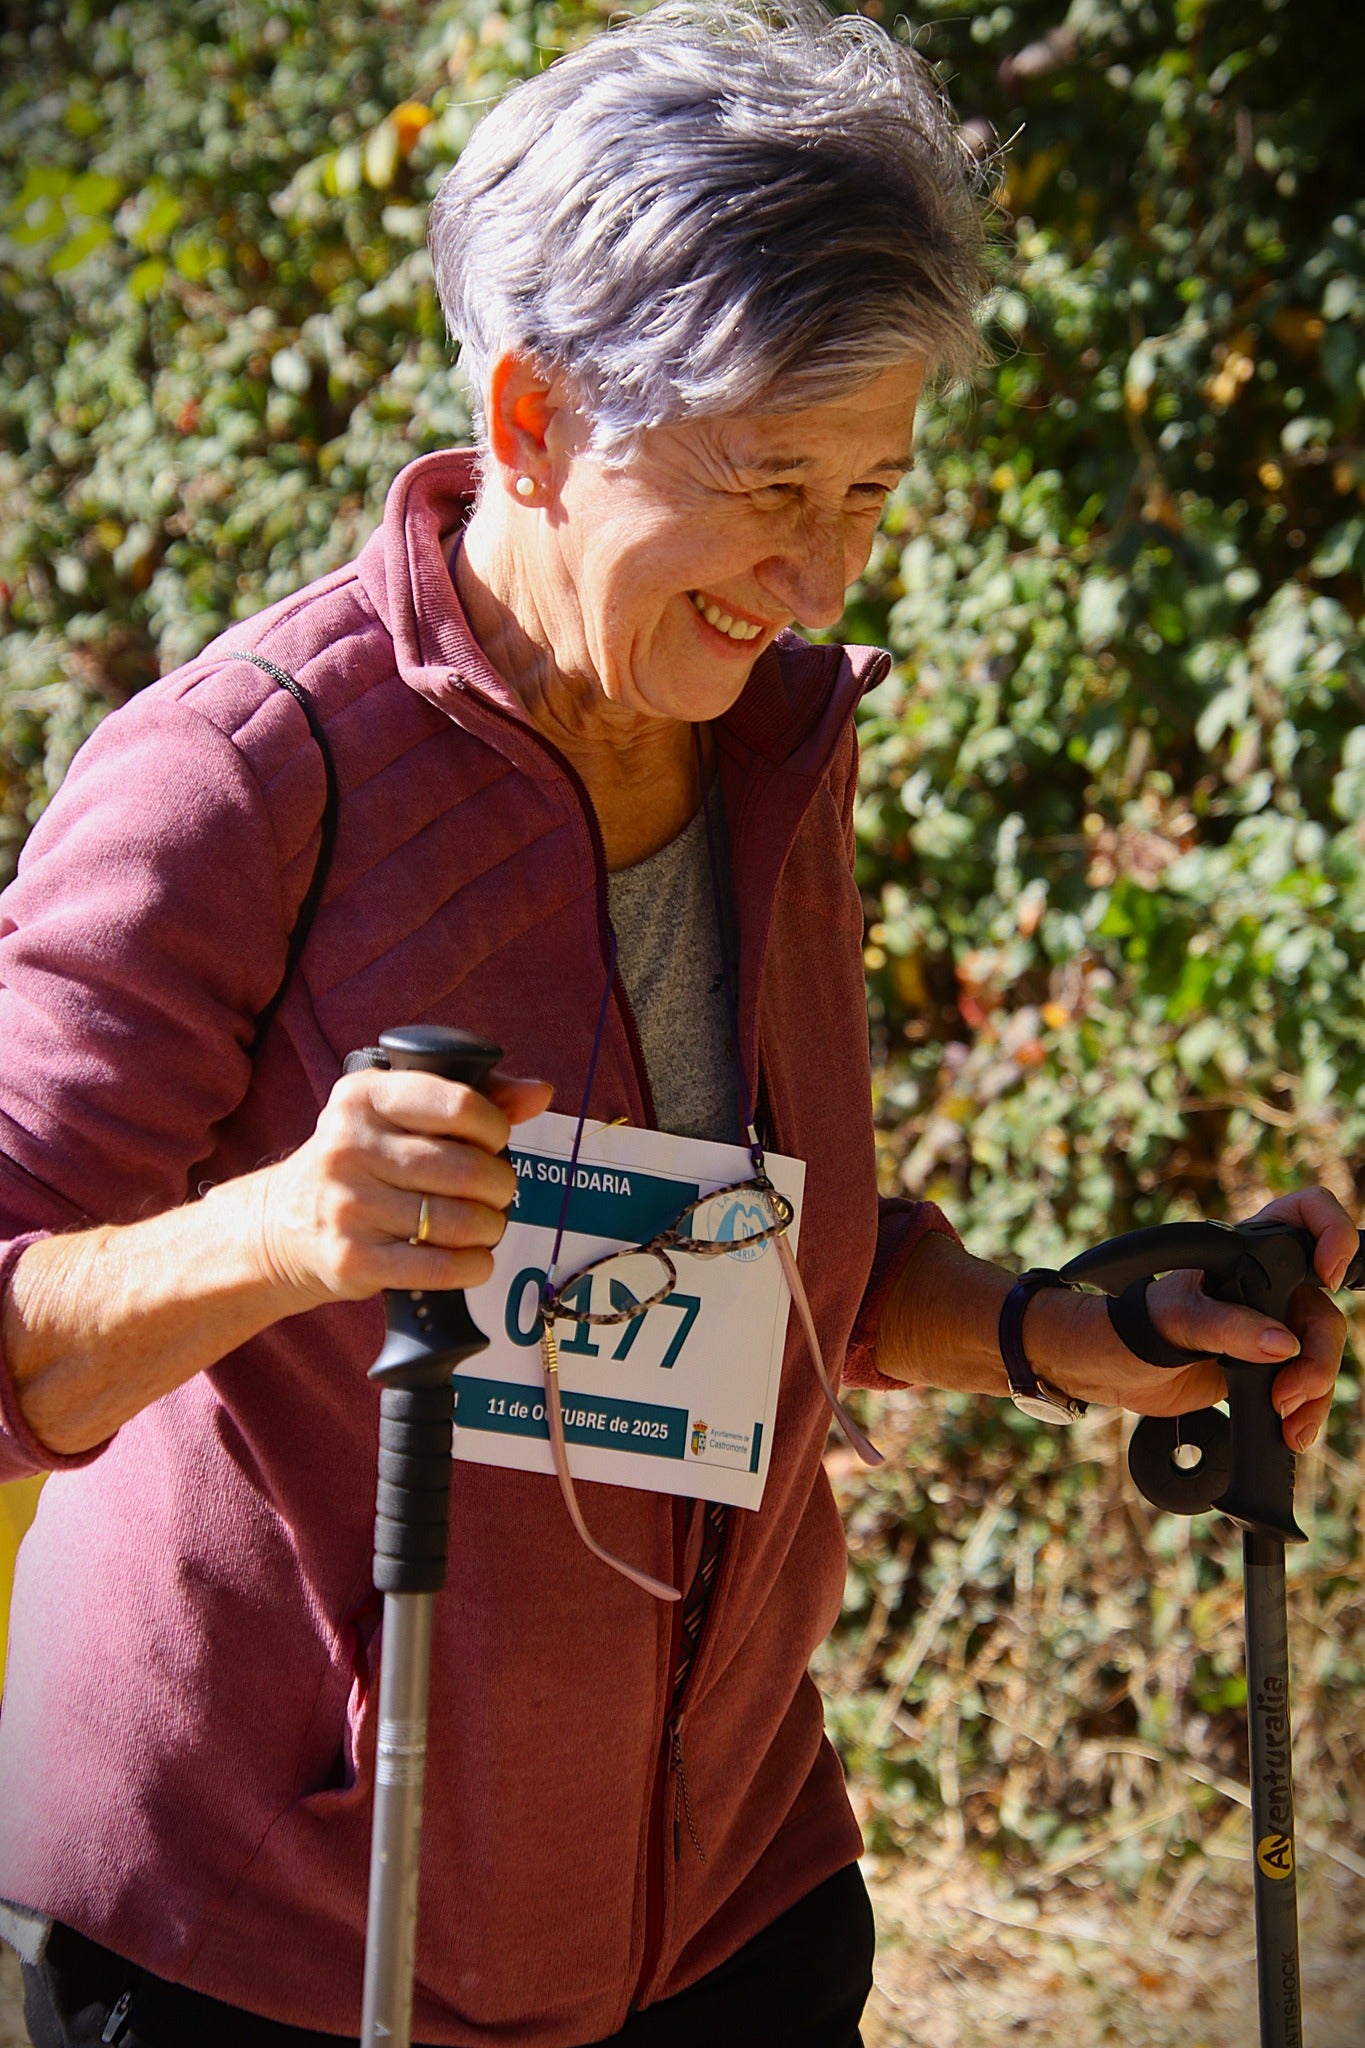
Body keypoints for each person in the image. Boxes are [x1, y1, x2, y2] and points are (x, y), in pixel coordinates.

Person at [0, 5, 1351, 2044]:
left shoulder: (766, 746)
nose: (816, 577)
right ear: (531, 416)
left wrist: (1060, 1334)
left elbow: (737, 1250)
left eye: (872, 489)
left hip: (725, 1905)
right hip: (281, 1945)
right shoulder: (240, 777)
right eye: (770, 482)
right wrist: (284, 1234)